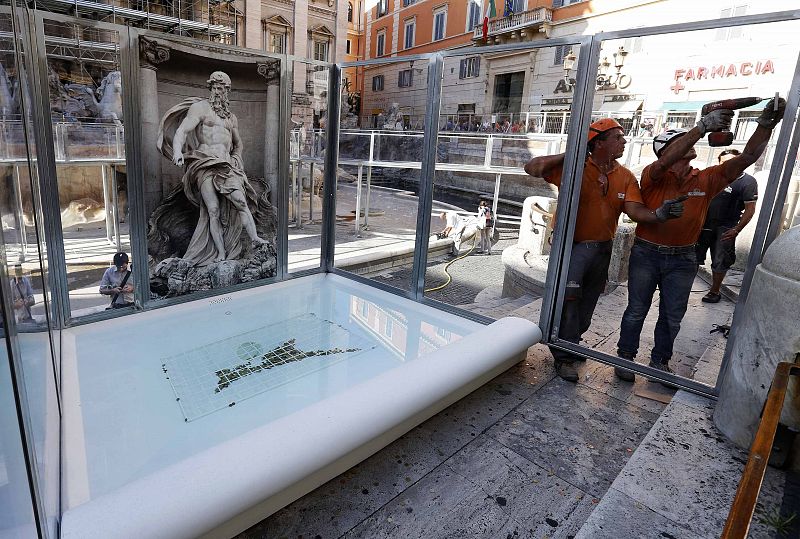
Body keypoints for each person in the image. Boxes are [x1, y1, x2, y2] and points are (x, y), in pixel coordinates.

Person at [617, 97, 785, 378]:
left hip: (683, 257)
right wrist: (701, 127)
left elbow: (748, 157)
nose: (691, 145)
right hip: (647, 253)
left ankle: (659, 361)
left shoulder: (705, 179)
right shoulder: (653, 175)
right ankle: (626, 357)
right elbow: (664, 163)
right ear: (666, 151)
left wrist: (765, 125)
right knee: (636, 309)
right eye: (682, 143)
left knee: (672, 315)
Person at [524, 118, 687, 382]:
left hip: (601, 249)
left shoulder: (624, 176)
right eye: (618, 138)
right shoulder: (574, 166)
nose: (624, 142)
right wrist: (574, 152)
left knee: (588, 301)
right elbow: (532, 167)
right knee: (569, 300)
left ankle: (572, 342)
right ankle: (563, 356)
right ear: (598, 143)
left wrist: (659, 214)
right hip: (572, 246)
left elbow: (634, 210)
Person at [158, 71, 268, 266]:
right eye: (216, 87)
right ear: (210, 88)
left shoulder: (231, 118)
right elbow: (182, 131)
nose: (219, 91)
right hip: (205, 162)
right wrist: (177, 152)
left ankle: (255, 239)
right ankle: (220, 253)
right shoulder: (200, 108)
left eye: (223, 88)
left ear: (227, 91)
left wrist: (236, 158)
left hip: (226, 165)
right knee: (213, 210)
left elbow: (238, 144)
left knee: (241, 203)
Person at [695, 149, 758, 303]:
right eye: (723, 162)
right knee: (693, 258)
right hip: (703, 225)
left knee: (720, 261)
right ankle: (683, 289)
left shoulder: (747, 182)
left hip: (726, 227)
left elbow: (750, 210)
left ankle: (714, 291)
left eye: (731, 162)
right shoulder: (711, 177)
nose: (726, 165)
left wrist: (736, 230)